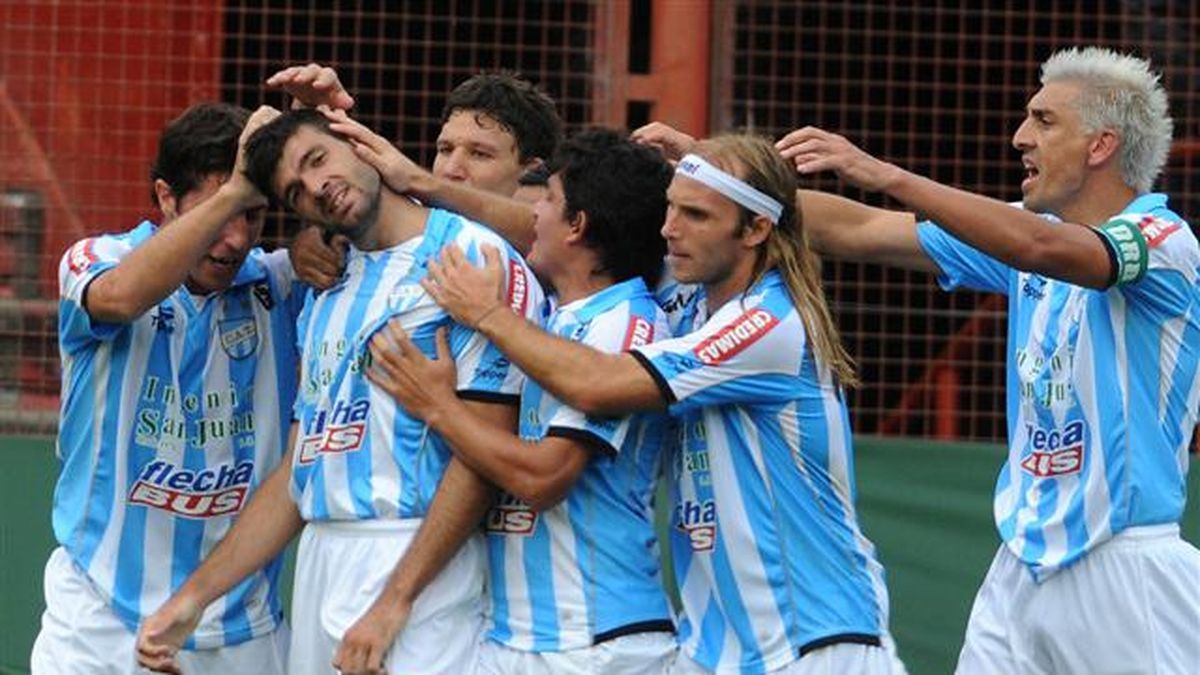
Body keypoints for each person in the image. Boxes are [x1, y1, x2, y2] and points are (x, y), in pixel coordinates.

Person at [405, 133, 904, 673]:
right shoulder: (690, 296)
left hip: (816, 640)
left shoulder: (768, 323)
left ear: (756, 229)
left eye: (696, 215)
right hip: (716, 649)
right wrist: (412, 191)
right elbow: (574, 232)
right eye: (670, 208)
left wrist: (486, 317)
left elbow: (596, 384)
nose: (669, 229)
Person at [775, 46, 1200, 674]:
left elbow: (1038, 245)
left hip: (1124, 563)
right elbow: (857, 230)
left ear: (1101, 145)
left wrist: (886, 173)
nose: (1020, 137)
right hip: (1020, 564)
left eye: (1044, 120)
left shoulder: (1161, 241)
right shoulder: (1023, 234)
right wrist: (717, 179)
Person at [135, 107, 545, 675]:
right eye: (295, 192)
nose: (315, 187)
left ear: (358, 144)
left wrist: (393, 602)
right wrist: (193, 599)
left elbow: (481, 459)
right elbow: (299, 473)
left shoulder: (472, 257)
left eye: (317, 158)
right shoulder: (327, 290)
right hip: (320, 564)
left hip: (415, 567)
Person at [367, 128, 678, 673]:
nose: (532, 213)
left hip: (597, 643)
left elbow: (544, 477)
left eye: (548, 200)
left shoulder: (625, 323)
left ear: (578, 226)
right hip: (514, 635)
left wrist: (439, 406)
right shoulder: (552, 320)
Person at [31, 103, 301, 674]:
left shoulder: (280, 285)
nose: (235, 240)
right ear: (165, 197)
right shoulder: (98, 260)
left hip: (240, 633)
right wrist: (238, 189)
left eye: (252, 215)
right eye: (217, 212)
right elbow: (119, 299)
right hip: (98, 624)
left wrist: (321, 126)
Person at [271, 63, 564, 285]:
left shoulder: (567, 247)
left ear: (531, 170)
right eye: (445, 149)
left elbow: (539, 230)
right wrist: (311, 240)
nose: (451, 170)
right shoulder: (414, 224)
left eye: (479, 154)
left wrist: (417, 180)